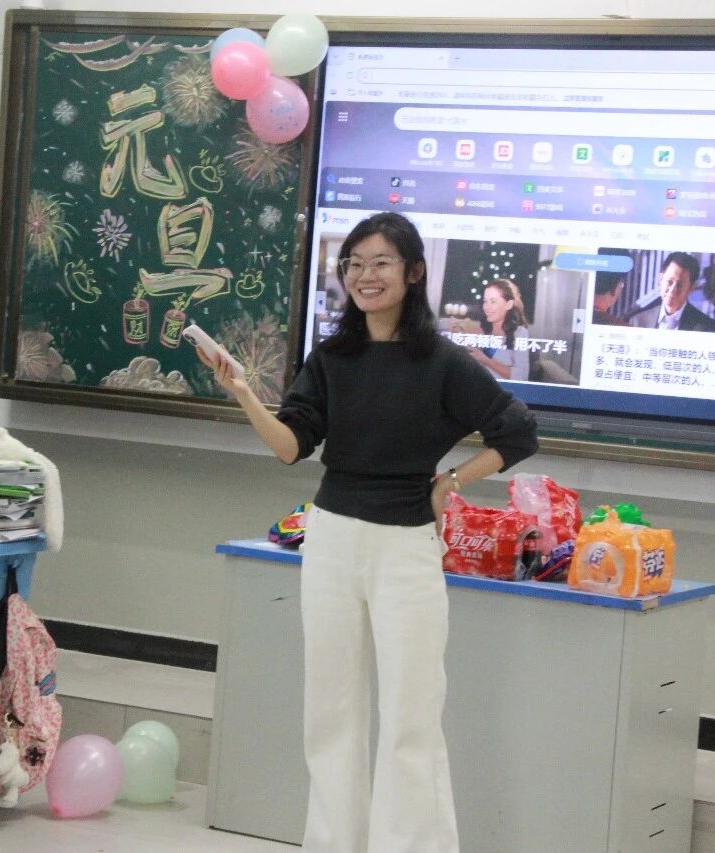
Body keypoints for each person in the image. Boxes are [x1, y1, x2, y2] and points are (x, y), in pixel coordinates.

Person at [199, 212, 538, 853]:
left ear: (413, 273)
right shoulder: (332, 357)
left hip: (405, 546)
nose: (365, 275)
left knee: (411, 715)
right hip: (330, 538)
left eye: (381, 262)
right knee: (329, 711)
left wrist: (450, 481)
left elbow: (517, 432)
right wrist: (243, 392)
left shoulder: (442, 361)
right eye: (354, 264)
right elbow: (291, 446)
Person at [469, 278, 531, 381]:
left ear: (508, 304)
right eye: (485, 301)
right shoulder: (481, 330)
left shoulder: (520, 333)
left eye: (493, 302)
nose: (487, 307)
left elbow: (521, 377)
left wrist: (485, 360)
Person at [651, 251, 715, 332]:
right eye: (669, 282)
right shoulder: (639, 319)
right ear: (661, 279)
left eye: (679, 285)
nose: (672, 290)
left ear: (691, 288)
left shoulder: (707, 328)